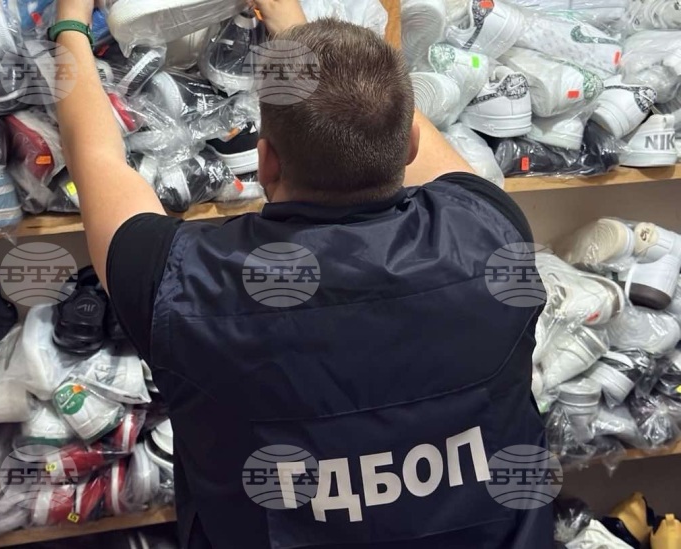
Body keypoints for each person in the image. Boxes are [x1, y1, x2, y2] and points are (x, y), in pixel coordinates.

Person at [53, 1, 552, 547]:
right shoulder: (490, 232)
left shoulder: (183, 283)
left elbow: (95, 157)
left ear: (264, 161)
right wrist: (291, 19)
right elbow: (413, 136)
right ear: (408, 147)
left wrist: (71, 24)